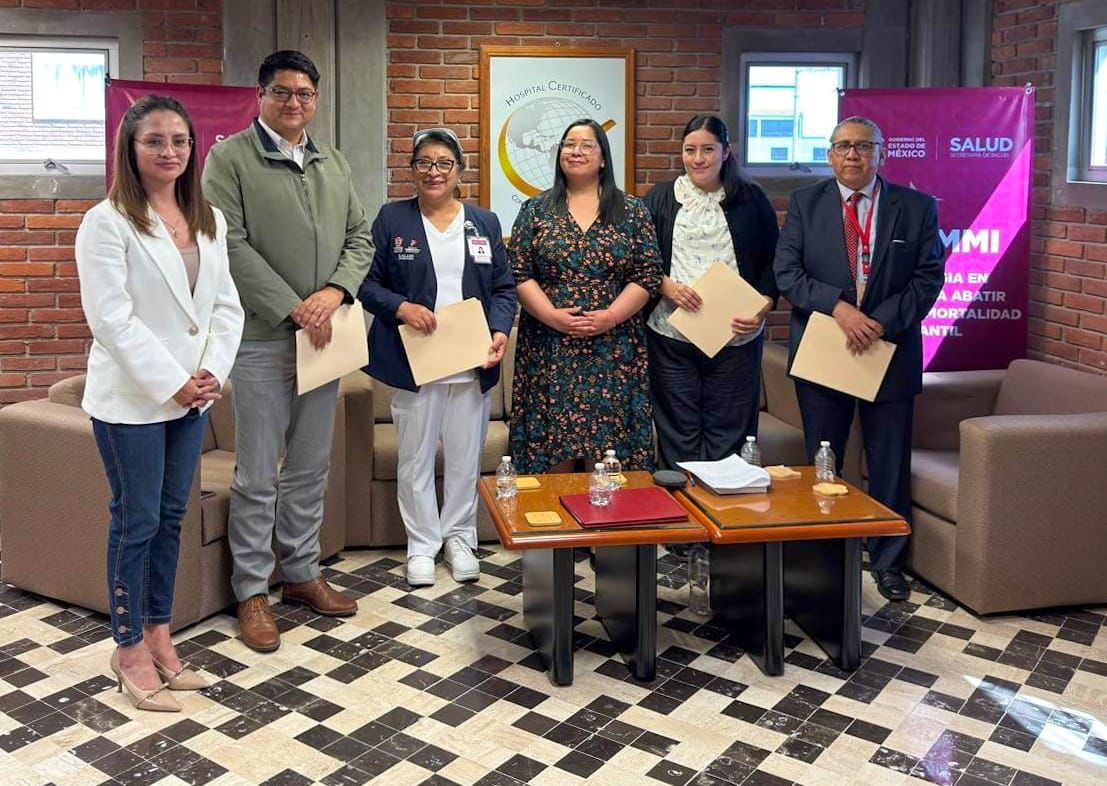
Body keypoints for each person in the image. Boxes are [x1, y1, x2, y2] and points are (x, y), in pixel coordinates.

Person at [76, 95, 245, 711]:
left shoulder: (208, 218)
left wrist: (210, 372)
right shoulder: (106, 222)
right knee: (137, 520)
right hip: (134, 400)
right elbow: (111, 320)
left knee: (173, 517)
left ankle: (159, 635)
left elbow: (225, 305)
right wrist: (172, 379)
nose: (169, 151)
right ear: (131, 148)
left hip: (191, 397)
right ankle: (126, 649)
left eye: (179, 140)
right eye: (154, 140)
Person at [202, 50, 372, 652]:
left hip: (325, 339)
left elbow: (360, 237)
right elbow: (229, 244)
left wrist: (333, 293)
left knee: (309, 466)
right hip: (263, 340)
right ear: (260, 95)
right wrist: (294, 306)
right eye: (282, 92)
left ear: (316, 100)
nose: (294, 102)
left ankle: (300, 572)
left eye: (304, 93)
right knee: (257, 474)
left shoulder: (333, 161)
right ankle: (252, 590)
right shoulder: (229, 159)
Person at [774, 115, 945, 601]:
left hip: (887, 352)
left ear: (881, 154)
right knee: (824, 459)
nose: (854, 154)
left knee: (888, 462)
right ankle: (826, 554)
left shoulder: (916, 207)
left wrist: (880, 322)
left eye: (864, 146)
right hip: (826, 349)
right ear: (830, 155)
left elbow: (929, 277)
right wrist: (840, 309)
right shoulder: (806, 203)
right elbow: (787, 272)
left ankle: (888, 562)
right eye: (844, 146)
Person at [360, 128, 516, 587]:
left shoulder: (484, 223)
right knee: (415, 457)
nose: (434, 171)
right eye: (425, 162)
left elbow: (504, 288)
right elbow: (367, 284)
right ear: (412, 169)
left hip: (471, 360)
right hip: (416, 361)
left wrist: (500, 330)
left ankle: (460, 539)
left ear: (459, 172)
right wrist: (402, 308)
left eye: (444, 163)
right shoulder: (392, 219)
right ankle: (422, 545)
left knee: (466, 458)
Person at [508, 119, 662, 474]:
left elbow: (647, 274)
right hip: (549, 346)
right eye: (568, 144)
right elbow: (518, 273)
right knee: (552, 458)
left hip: (614, 346)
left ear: (603, 157)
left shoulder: (632, 210)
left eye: (586, 145)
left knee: (607, 461)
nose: (576, 151)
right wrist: (552, 316)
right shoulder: (535, 210)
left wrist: (610, 316)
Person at [643, 115, 779, 470]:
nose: (698, 159)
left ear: (726, 152)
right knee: (678, 433)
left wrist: (763, 307)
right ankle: (681, 503)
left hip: (735, 337)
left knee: (729, 435)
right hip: (671, 337)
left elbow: (774, 262)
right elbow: (639, 258)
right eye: (690, 150)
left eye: (708, 150)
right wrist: (666, 286)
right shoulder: (660, 197)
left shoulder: (751, 198)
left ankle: (725, 503)